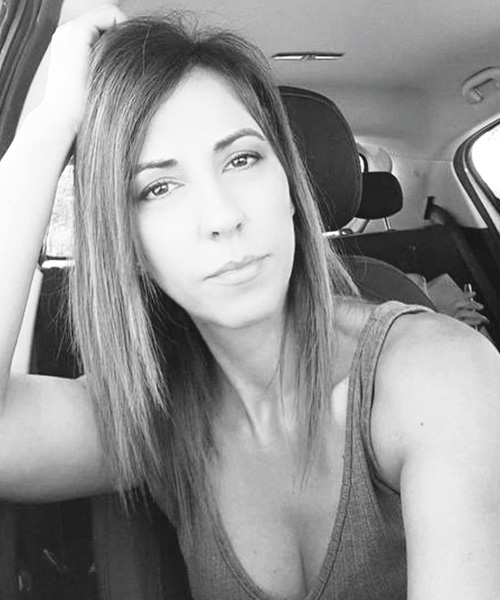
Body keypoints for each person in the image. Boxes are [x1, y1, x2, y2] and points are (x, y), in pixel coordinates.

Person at [0, 4, 499, 599]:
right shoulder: (156, 414)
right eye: (158, 187)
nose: (222, 216)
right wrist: (46, 129)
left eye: (241, 159)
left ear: (289, 185)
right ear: (125, 242)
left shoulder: (441, 374)